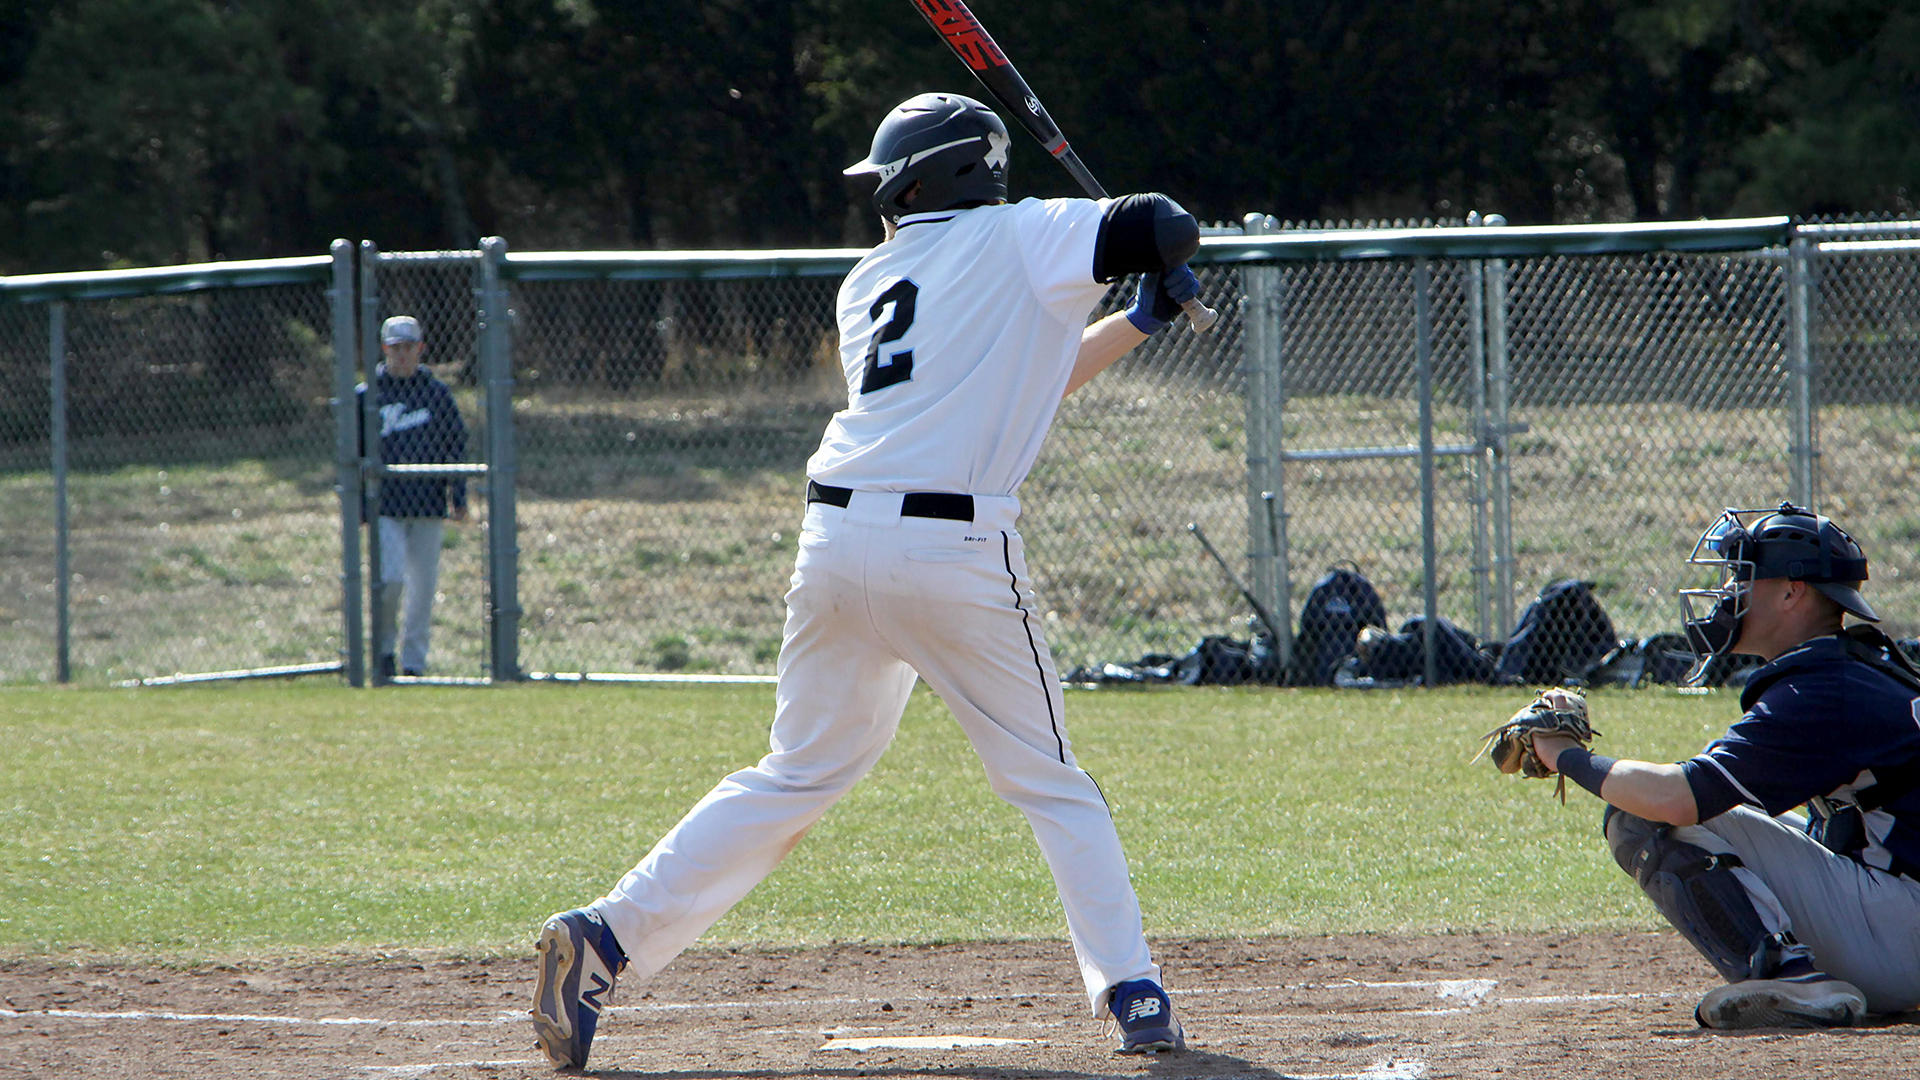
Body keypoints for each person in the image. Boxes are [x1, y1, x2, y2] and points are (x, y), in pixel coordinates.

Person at [530, 92, 1205, 1068]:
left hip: (836, 542)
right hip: (951, 552)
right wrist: (1159, 256)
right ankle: (1135, 994)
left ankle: (609, 935)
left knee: (794, 775)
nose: (878, 201)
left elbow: (1021, 375)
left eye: (886, 183)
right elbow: (1167, 220)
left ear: (922, 180)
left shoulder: (872, 279)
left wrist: (1141, 312)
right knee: (1052, 784)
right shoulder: (1022, 231)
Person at [1529, 503, 1920, 1029]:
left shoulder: (1823, 688)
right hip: (1901, 910)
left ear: (1791, 592)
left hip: (1904, 933)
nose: (1730, 592)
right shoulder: (1853, 669)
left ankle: (1793, 979)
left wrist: (1562, 755)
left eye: (1745, 576)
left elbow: (1679, 797)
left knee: (1646, 817)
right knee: (1736, 815)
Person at [359, 314, 467, 679]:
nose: (402, 355)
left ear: (420, 349)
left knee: (423, 589)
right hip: (385, 504)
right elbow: (354, 455)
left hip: (428, 501)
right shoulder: (368, 395)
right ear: (384, 349)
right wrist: (360, 505)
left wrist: (459, 495)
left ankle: (414, 663)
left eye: (409, 347)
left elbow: (456, 445)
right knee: (389, 579)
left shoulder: (437, 395)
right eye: (395, 347)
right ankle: (385, 651)